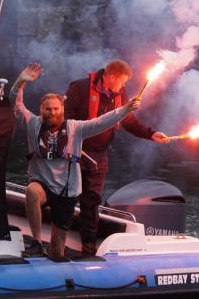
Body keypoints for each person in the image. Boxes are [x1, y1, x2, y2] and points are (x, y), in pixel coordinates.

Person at [10, 62, 141, 260]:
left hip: (66, 190)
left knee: (56, 253)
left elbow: (101, 122)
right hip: (42, 186)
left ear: (62, 110)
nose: (51, 113)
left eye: (55, 109)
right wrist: (20, 82)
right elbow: (15, 104)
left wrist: (124, 110)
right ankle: (36, 241)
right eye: (47, 109)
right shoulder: (32, 123)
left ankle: (59, 257)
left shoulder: (75, 128)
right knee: (31, 191)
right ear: (41, 110)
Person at [64, 59, 169, 256]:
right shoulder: (79, 88)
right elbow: (64, 118)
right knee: (67, 197)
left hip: (99, 155)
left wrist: (151, 134)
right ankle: (59, 243)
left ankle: (88, 247)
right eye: (122, 81)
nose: (124, 86)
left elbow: (127, 120)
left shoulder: (120, 94)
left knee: (92, 200)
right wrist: (69, 145)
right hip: (74, 152)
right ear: (111, 76)